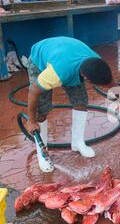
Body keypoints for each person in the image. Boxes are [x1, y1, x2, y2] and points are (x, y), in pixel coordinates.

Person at [26, 37, 113, 172]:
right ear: (86, 78)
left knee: (81, 102)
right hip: (40, 58)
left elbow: (110, 82)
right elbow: (33, 91)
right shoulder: (58, 73)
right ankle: (42, 153)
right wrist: (31, 121)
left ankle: (78, 143)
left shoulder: (96, 63)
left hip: (65, 53)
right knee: (42, 110)